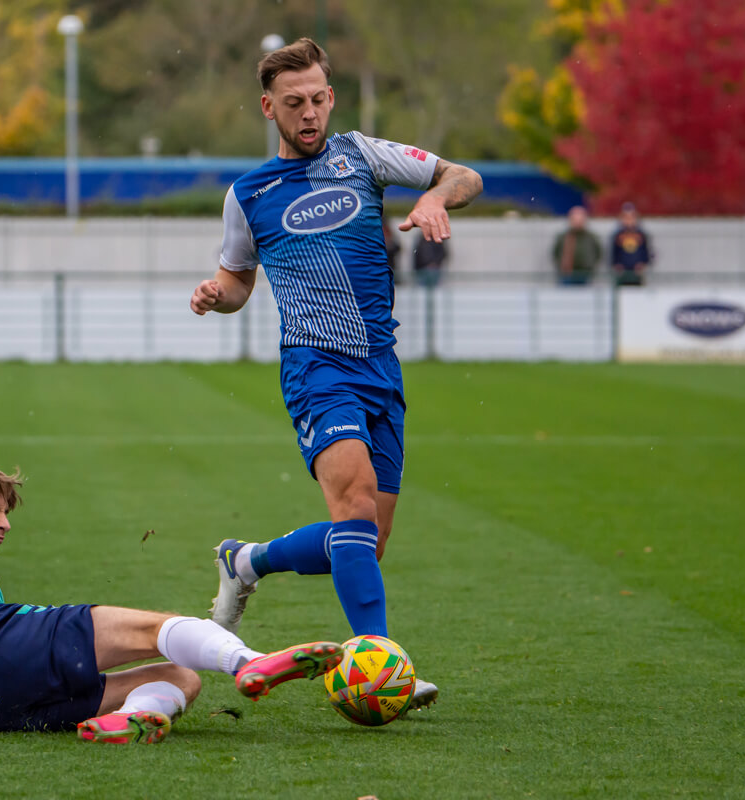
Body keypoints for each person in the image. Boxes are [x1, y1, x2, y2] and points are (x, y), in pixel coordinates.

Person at [188, 37, 483, 714]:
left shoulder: (362, 156)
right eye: (294, 103)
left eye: (319, 98)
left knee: (364, 544)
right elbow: (238, 281)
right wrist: (215, 293)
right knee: (350, 511)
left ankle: (246, 561)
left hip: (381, 367)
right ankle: (380, 665)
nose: (310, 112)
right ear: (270, 108)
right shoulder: (250, 193)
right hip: (317, 368)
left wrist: (438, 198)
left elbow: (464, 174)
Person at [0, 459, 343, 744]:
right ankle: (248, 662)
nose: (5, 523)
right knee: (152, 629)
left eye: (5, 512)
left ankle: (131, 717)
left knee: (183, 676)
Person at [551, 205, 601, 286]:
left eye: (580, 219)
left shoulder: (591, 237)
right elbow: (555, 253)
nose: (578, 222)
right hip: (567, 275)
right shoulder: (564, 237)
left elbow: (598, 253)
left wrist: (591, 267)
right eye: (575, 219)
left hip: (585, 275)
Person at [610, 202, 652, 287]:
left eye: (631, 217)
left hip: (637, 273)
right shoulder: (618, 235)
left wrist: (643, 264)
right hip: (622, 273)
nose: (629, 220)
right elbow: (614, 253)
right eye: (626, 217)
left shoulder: (641, 235)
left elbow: (646, 252)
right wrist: (616, 265)